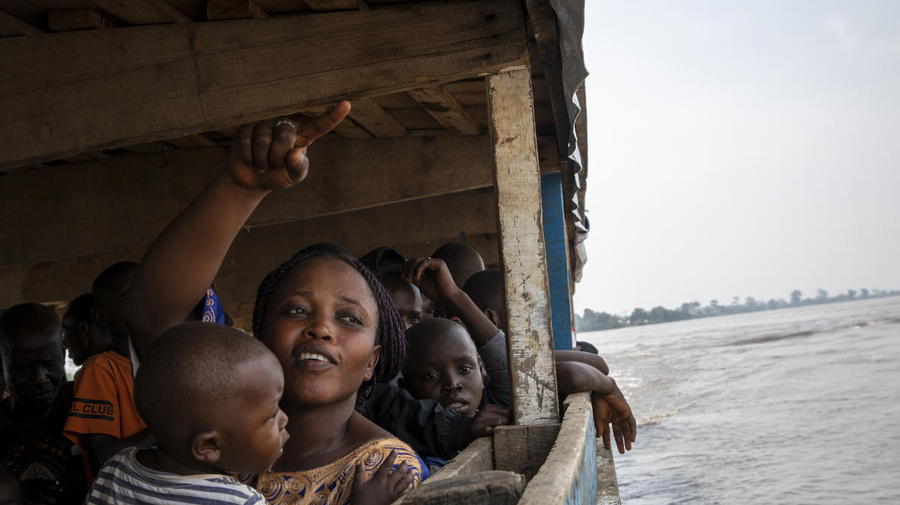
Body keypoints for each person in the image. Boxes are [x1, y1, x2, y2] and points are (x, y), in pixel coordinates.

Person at [125, 105, 424, 505]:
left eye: (349, 318)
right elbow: (153, 317)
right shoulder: (211, 434)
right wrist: (240, 187)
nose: (321, 328)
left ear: (372, 362)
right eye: (297, 310)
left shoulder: (384, 473)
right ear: (260, 336)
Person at [85, 322, 293, 504]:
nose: (284, 419)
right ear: (208, 446)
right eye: (272, 415)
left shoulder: (117, 468)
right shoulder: (241, 500)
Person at [462, 269, 636, 452]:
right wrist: (609, 388)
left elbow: (598, 364)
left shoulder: (513, 358)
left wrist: (605, 387)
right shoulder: (491, 367)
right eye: (519, 309)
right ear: (490, 318)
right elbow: (575, 375)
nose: (528, 318)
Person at [64, 261, 154, 484]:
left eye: (150, 288)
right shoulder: (100, 370)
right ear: (102, 316)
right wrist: (178, 425)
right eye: (128, 294)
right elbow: (104, 457)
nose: (146, 298)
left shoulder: (169, 361)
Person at [0, 303, 87, 505]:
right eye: (22, 368)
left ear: (64, 353)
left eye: (48, 363)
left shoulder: (89, 406)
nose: (39, 379)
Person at [61, 294, 112, 367]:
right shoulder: (126, 363)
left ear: (83, 328)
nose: (65, 344)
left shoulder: (96, 369)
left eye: (66, 333)